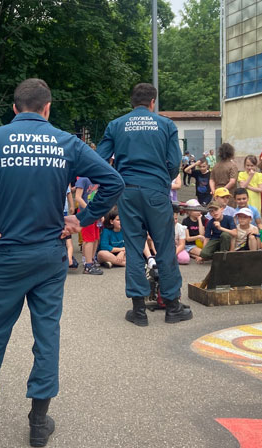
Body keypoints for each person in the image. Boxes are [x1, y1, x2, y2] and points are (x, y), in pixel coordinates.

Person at [0, 78, 123, 447]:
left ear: (15, 108)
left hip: (6, 254)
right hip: (50, 255)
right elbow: (112, 180)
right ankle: (39, 423)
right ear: (48, 108)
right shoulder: (67, 142)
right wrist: (82, 220)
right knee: (47, 334)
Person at [96, 82, 192, 326]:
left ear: (132, 102)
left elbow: (99, 159)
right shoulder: (166, 124)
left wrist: (116, 180)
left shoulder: (116, 125)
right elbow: (174, 162)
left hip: (127, 192)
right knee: (165, 247)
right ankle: (172, 306)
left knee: (135, 247)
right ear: (153, 103)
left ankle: (138, 311)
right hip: (156, 191)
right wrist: (162, 182)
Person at [75, 176, 103, 274]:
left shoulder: (98, 180)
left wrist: (100, 213)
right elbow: (78, 197)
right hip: (86, 213)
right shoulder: (83, 179)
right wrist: (90, 209)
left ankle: (91, 259)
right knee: (89, 239)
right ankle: (88, 265)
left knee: (95, 238)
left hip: (96, 213)